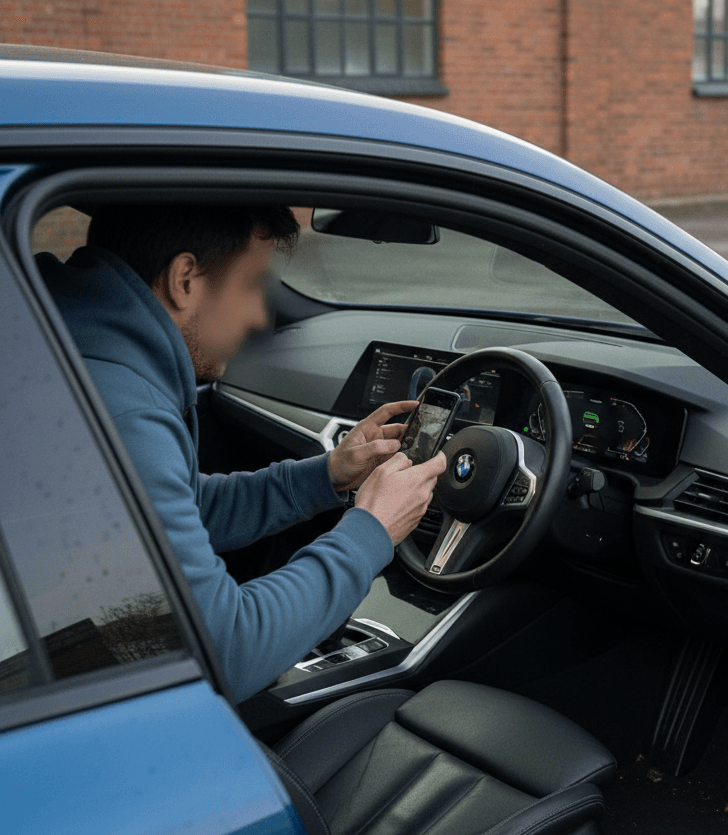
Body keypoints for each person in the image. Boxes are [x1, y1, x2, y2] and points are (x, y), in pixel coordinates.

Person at [38, 203, 447, 701]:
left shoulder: (70, 348)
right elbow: (226, 652)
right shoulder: (123, 411)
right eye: (251, 285)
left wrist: (327, 475)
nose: (257, 315)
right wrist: (373, 530)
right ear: (185, 279)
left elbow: (180, 508)